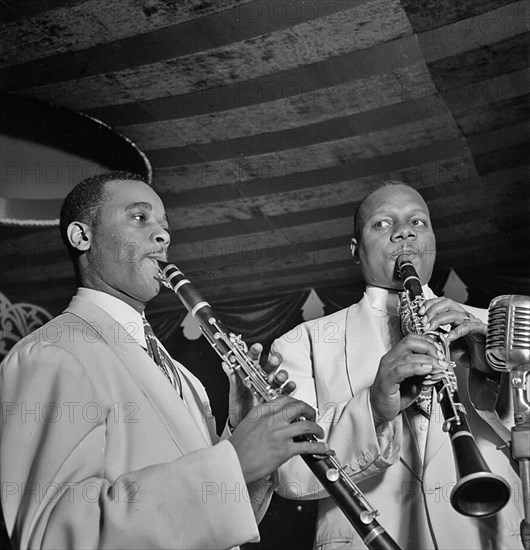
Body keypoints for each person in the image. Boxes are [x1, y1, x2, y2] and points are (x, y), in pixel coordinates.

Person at [0, 171, 330, 550]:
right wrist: (234, 463)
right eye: (139, 218)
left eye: (164, 226)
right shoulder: (50, 354)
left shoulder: (184, 378)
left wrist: (242, 434)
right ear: (82, 236)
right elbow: (54, 537)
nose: (163, 236)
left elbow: (212, 524)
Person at [272, 181, 523, 549]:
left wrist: (498, 372)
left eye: (418, 223)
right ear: (356, 251)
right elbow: (289, 474)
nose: (404, 231)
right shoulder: (303, 342)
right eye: (382, 224)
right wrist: (373, 407)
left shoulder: (494, 326)